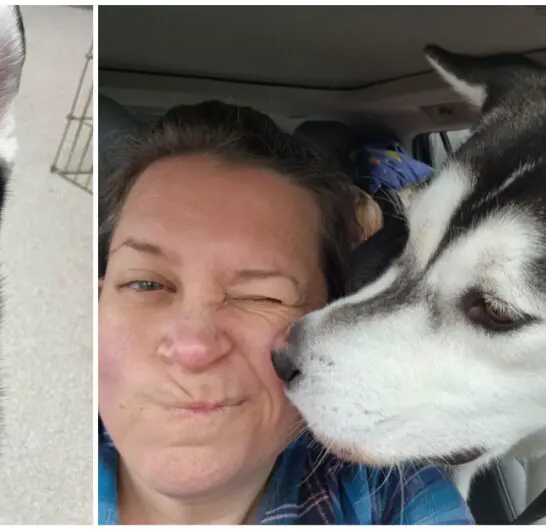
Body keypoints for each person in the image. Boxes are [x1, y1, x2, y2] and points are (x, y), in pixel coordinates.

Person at [97, 100, 474, 525]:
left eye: (261, 297)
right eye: (146, 284)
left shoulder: (400, 502)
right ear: (98, 300)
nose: (191, 347)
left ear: (332, 322)